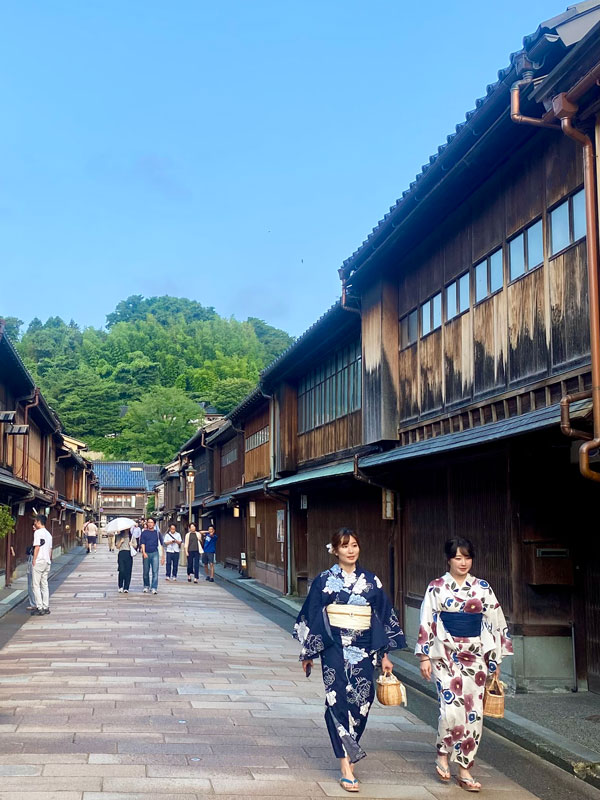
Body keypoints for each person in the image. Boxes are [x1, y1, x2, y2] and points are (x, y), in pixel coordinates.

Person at [294, 528, 405, 792]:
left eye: (354, 545)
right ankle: (346, 764)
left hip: (364, 647)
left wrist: (384, 655)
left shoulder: (371, 581)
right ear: (335, 550)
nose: (351, 550)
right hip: (334, 647)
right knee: (337, 698)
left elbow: (381, 615)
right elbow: (312, 613)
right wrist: (309, 652)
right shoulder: (324, 580)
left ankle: (351, 748)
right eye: (344, 546)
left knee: (362, 701)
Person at [416, 537, 513, 792]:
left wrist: (495, 659)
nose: (463, 562)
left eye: (467, 557)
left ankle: (465, 767)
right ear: (448, 559)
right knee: (451, 709)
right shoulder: (437, 587)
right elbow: (427, 619)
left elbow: (494, 621)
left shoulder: (482, 587)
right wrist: (425, 656)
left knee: (473, 713)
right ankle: (442, 752)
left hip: (476, 656)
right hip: (446, 654)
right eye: (457, 558)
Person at [31, 514, 53, 616]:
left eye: (35, 521)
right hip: (47, 561)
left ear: (39, 522)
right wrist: (49, 560)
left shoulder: (37, 532)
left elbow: (37, 547)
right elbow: (50, 550)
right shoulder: (49, 534)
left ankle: (39, 607)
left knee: (36, 585)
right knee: (44, 584)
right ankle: (46, 606)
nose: (34, 523)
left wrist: (34, 560)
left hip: (39, 561)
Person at [140, 517, 164, 594]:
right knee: (146, 571)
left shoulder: (157, 533)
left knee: (155, 571)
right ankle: (146, 586)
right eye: (149, 522)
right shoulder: (144, 533)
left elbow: (161, 545)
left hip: (155, 553)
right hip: (146, 553)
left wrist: (163, 556)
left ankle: (154, 587)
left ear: (154, 524)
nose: (150, 524)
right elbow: (142, 543)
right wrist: (143, 552)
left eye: (151, 522)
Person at [116, 529, 134, 593]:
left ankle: (126, 587)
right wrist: (121, 541)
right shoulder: (119, 536)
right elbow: (117, 547)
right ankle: (120, 586)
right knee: (121, 570)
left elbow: (136, 545)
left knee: (128, 571)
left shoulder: (131, 536)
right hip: (121, 553)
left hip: (129, 554)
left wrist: (131, 544)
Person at [25, 524, 36, 611]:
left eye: (34, 524)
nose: (32, 526)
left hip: (34, 560)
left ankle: (34, 603)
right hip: (36, 560)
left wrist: (34, 560)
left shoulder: (38, 535)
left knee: (32, 583)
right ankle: (37, 603)